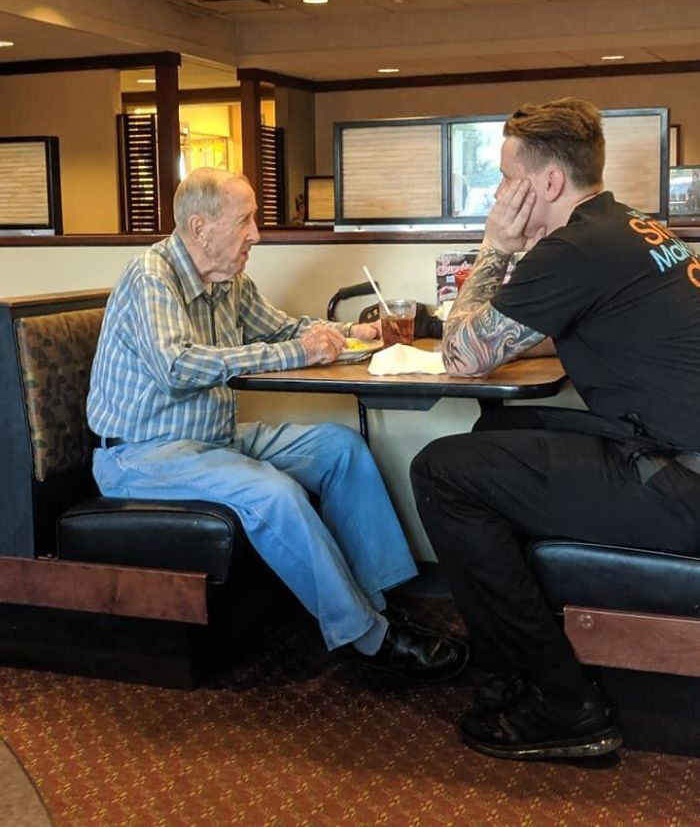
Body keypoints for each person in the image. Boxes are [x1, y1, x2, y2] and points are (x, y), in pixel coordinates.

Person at [87, 167, 467, 683]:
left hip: (213, 441)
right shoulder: (151, 276)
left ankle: (380, 603)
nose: (257, 235)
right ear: (200, 228)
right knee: (274, 492)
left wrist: (353, 331)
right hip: (143, 454)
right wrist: (296, 350)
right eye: (245, 221)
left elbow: (287, 328)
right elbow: (176, 366)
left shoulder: (229, 282)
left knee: (339, 447)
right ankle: (366, 638)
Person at [411, 97, 700, 760]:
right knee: (490, 438)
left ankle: (564, 702)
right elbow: (542, 333)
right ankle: (508, 661)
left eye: (507, 177)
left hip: (679, 479)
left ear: (546, 183)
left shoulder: (571, 248)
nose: (499, 191)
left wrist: (493, 247)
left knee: (440, 470)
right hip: (673, 451)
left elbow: (462, 357)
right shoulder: (628, 227)